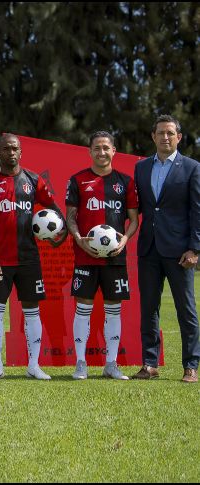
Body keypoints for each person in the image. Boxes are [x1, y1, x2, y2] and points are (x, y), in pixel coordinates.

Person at [0, 133, 67, 380]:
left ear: (20, 152)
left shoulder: (34, 180)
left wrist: (58, 234)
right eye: (6, 149)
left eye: (15, 148)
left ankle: (33, 366)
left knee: (32, 311)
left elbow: (55, 210)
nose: (11, 153)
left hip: (28, 258)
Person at [66, 131, 139, 380]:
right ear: (90, 151)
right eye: (97, 148)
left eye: (106, 148)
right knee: (83, 308)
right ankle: (80, 363)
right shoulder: (77, 180)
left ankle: (111, 364)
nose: (101, 152)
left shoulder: (125, 182)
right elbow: (71, 217)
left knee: (113, 310)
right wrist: (79, 238)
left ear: (114, 151)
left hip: (115, 258)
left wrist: (125, 239)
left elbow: (133, 220)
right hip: (85, 256)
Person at [133, 115, 200, 382]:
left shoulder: (192, 168)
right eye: (160, 133)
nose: (165, 137)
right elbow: (139, 207)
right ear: (153, 136)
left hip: (180, 252)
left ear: (179, 137)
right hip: (148, 249)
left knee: (186, 310)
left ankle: (191, 366)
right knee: (149, 308)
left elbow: (197, 211)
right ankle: (149, 364)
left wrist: (194, 249)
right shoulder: (141, 168)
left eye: (170, 133)